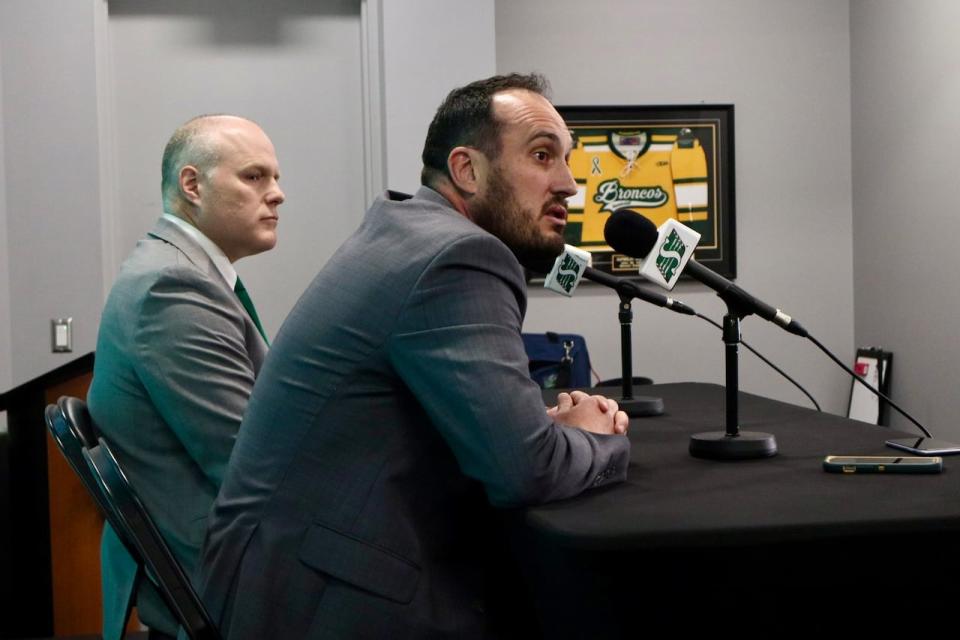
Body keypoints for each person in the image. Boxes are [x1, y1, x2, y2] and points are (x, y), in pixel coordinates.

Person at [199, 73, 630, 638]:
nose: (569, 185)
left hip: (273, 570)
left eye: (567, 161)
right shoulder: (462, 256)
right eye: (543, 155)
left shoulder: (406, 230)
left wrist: (526, 428)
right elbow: (526, 469)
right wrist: (597, 439)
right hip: (316, 601)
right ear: (467, 170)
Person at [87, 114, 284, 639]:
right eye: (255, 176)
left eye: (276, 178)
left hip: (217, 550)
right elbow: (249, 461)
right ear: (192, 185)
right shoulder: (172, 289)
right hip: (221, 569)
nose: (278, 194)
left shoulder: (183, 273)